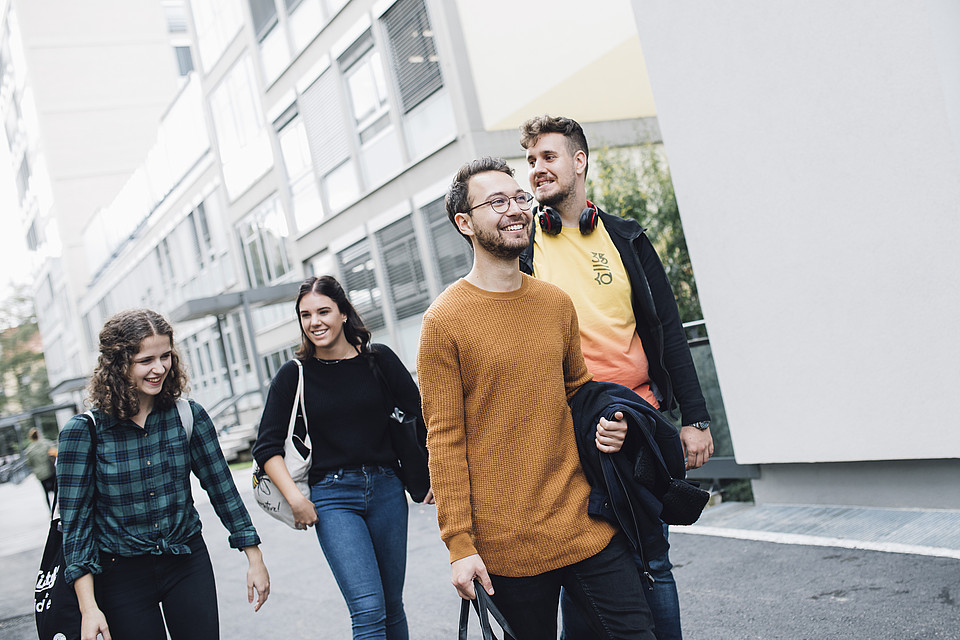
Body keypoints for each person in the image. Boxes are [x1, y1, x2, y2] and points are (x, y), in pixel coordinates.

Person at [416, 156, 656, 640]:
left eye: (519, 198)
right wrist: (460, 546)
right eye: (497, 201)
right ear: (465, 223)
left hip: (585, 521)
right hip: (508, 546)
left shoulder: (555, 303)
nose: (516, 209)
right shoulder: (443, 322)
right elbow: (444, 441)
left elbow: (579, 396)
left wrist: (611, 421)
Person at [519, 114, 714, 640]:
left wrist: (694, 417)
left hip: (634, 416)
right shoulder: (524, 252)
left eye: (549, 157)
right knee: (581, 563)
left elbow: (668, 331)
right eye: (532, 160)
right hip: (568, 430)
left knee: (652, 559)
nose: (537, 169)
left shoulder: (626, 239)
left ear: (579, 161)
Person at [57, 309, 270, 640]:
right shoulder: (85, 432)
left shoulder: (188, 415)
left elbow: (222, 488)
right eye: (146, 360)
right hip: (120, 574)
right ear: (118, 364)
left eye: (165, 356)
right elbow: (76, 527)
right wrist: (89, 607)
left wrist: (254, 557)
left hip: (186, 560)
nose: (159, 368)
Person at [252, 275, 433, 640]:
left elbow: (425, 418)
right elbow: (266, 448)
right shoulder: (295, 374)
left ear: (343, 313)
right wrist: (297, 499)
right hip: (333, 499)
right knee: (367, 608)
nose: (314, 322)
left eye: (323, 311)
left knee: (391, 606)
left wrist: (433, 477)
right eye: (305, 315)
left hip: (386, 490)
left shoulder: (378, 360)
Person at [24, 427, 58, 512]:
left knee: (46, 492)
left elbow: (29, 463)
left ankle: (51, 510)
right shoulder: (47, 443)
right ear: (38, 435)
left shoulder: (29, 450)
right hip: (50, 470)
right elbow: (54, 453)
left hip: (40, 474)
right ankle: (58, 507)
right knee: (55, 490)